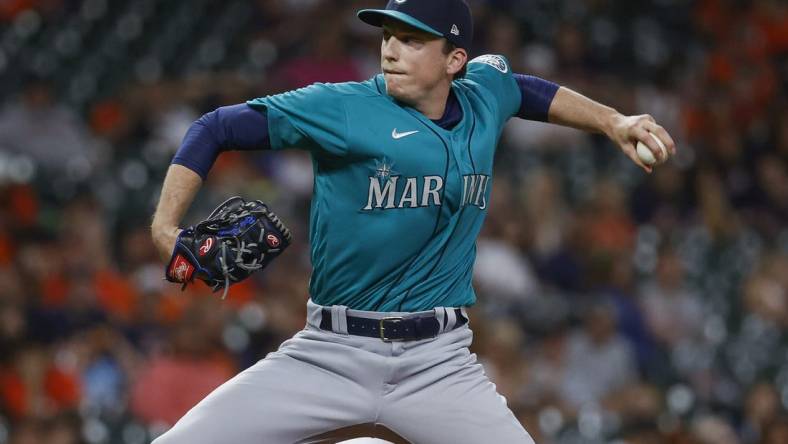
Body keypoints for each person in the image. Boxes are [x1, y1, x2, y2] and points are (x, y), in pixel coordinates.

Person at [149, 1, 676, 442]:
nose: (390, 50)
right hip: (330, 353)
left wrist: (613, 120)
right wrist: (165, 228)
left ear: (455, 61)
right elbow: (214, 127)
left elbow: (527, 90)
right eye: (388, 36)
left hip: (438, 363)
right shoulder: (342, 108)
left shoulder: (483, 93)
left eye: (412, 39)